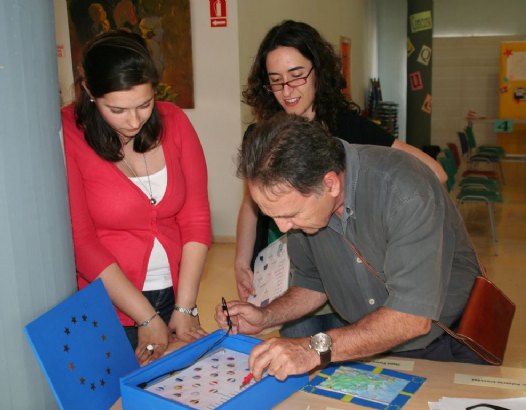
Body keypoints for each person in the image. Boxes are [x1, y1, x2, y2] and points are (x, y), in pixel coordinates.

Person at [216, 113, 484, 382]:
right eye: (272, 216)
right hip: (366, 345)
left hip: (448, 345)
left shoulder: (404, 189)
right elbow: (312, 283)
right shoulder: (303, 206)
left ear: (330, 184)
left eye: (289, 215)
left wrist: (311, 349)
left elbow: (412, 317)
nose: (283, 228)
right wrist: (266, 316)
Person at [235, 20, 447, 338]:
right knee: (296, 347)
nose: (287, 91)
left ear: (318, 71)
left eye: (296, 76)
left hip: (343, 267)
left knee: (347, 345)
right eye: (276, 82)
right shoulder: (261, 136)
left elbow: (435, 173)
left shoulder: (347, 128)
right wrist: (241, 260)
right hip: (285, 270)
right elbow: (250, 206)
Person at [61, 30, 211, 364]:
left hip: (175, 292)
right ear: (89, 92)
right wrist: (145, 317)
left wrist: (185, 306)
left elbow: (196, 219)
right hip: (109, 302)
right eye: (117, 109)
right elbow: (82, 242)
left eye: (144, 104)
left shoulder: (175, 121)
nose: (133, 121)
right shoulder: (69, 131)